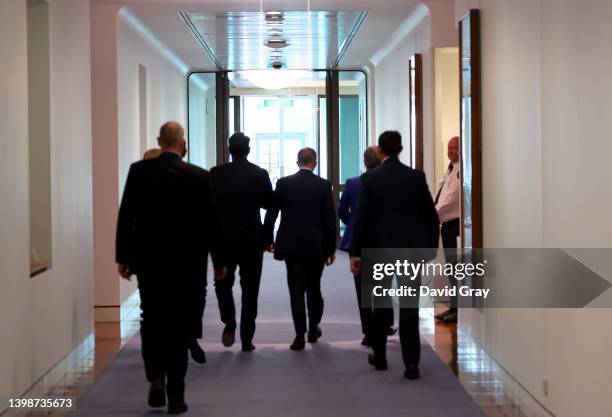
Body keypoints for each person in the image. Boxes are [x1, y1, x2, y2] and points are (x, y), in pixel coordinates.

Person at [116, 121, 226, 414]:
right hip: (187, 263)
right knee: (178, 323)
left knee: (151, 318)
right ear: (182, 142)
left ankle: (155, 377)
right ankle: (176, 392)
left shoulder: (139, 172)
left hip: (150, 261)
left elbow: (126, 216)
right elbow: (212, 222)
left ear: (158, 140)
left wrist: (123, 257)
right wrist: (219, 261)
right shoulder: (199, 176)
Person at [350, 131, 439, 380]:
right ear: (400, 148)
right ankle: (411, 363)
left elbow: (362, 220)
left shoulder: (371, 179)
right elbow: (431, 217)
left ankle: (380, 357)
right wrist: (430, 248)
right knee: (409, 307)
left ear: (381, 150)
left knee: (380, 304)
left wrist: (356, 254)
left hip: (379, 250)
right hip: (410, 252)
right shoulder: (415, 178)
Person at [263, 147, 336, 351]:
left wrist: (267, 238)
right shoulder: (323, 185)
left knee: (296, 290)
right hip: (316, 246)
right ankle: (314, 328)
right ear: (315, 162)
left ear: (297, 162)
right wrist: (330, 249)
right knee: (314, 288)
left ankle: (299, 336)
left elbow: (272, 213)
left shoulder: (284, 183)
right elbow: (329, 220)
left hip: (291, 245)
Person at [210, 132, 273, 352]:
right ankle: (247, 338)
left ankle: (229, 319)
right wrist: (267, 236)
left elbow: (211, 211)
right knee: (250, 289)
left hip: (224, 241)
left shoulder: (216, 174)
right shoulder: (259, 174)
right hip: (252, 240)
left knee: (222, 284)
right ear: (248, 150)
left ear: (229, 150)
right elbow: (271, 206)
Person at [337, 147, 396, 347]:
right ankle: (386, 323)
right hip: (384, 242)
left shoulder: (353, 183)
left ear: (364, 161)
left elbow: (342, 210)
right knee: (383, 286)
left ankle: (368, 332)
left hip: (359, 242)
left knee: (362, 289)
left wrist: (352, 222)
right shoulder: (389, 184)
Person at [434, 136, 461, 324]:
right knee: (450, 268)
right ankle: (453, 307)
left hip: (455, 224)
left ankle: (457, 308)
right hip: (446, 225)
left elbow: (450, 199)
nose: (450, 151)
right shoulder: (450, 169)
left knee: (455, 269)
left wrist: (430, 215)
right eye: (449, 148)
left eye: (454, 149)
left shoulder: (460, 170)